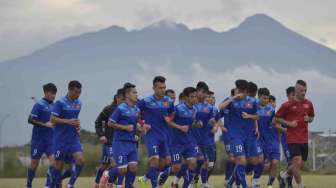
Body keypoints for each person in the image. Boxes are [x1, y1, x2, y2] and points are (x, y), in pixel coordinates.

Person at [99, 83, 150, 188]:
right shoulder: (120, 108)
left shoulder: (136, 109)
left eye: (136, 92)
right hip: (120, 142)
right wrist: (125, 127)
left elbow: (136, 125)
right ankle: (107, 174)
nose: (137, 95)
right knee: (123, 169)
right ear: (127, 95)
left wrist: (142, 128)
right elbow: (110, 123)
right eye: (134, 93)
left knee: (133, 167)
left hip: (132, 143)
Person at [218, 79, 259, 188]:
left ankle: (231, 181)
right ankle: (243, 185)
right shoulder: (231, 100)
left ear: (245, 91)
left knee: (253, 161)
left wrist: (249, 116)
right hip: (235, 136)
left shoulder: (253, 101)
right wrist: (232, 98)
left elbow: (258, 116)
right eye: (236, 89)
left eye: (239, 90)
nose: (236, 91)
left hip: (249, 136)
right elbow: (220, 107)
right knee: (241, 160)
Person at [137, 76, 175, 188]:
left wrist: (170, 119)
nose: (163, 90)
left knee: (165, 164)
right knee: (154, 161)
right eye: (160, 88)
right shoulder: (146, 101)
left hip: (164, 136)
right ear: (154, 88)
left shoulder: (168, 101)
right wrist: (143, 124)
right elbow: (135, 113)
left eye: (164, 88)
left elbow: (172, 114)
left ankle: (144, 178)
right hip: (152, 136)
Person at [276, 80, 315, 188]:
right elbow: (277, 119)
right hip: (292, 138)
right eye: (301, 91)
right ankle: (300, 185)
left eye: (305, 90)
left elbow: (312, 117)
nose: (303, 93)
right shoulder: (287, 105)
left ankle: (283, 176)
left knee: (299, 165)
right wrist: (289, 123)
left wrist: (309, 119)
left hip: (304, 138)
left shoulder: (309, 103)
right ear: (296, 91)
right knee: (296, 162)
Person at [50, 80, 84, 188]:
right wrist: (68, 121)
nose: (78, 95)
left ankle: (70, 185)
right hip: (60, 139)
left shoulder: (79, 103)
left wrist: (77, 126)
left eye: (79, 92)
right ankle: (55, 183)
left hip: (73, 138)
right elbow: (52, 119)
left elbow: (75, 119)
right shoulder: (60, 103)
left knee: (80, 161)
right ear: (69, 90)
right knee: (58, 167)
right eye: (76, 92)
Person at [26, 83, 57, 188]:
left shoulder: (55, 106)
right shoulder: (39, 104)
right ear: (46, 93)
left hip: (51, 140)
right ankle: (28, 184)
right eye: (52, 93)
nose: (53, 96)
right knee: (34, 164)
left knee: (54, 162)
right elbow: (30, 119)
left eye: (55, 93)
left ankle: (48, 185)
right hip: (38, 140)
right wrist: (45, 124)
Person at [93, 88, 125, 188]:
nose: (125, 101)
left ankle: (99, 183)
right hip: (109, 142)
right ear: (117, 98)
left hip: (121, 143)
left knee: (105, 165)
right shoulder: (108, 109)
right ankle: (105, 182)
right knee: (115, 163)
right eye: (123, 99)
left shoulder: (127, 109)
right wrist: (101, 135)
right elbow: (97, 122)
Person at [257, 88, 280, 188]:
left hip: (274, 142)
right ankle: (255, 180)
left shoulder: (272, 111)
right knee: (261, 163)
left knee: (274, 163)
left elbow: (276, 123)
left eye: (271, 101)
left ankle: (269, 185)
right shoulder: (255, 108)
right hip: (260, 141)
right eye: (265, 99)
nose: (269, 102)